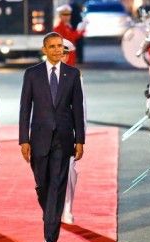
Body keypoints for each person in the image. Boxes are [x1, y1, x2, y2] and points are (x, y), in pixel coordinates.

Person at [19, 32, 85, 242]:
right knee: (43, 184)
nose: (58, 50)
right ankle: (49, 212)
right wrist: (23, 140)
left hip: (64, 138)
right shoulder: (32, 74)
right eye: (53, 46)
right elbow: (25, 109)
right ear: (44, 49)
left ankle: (50, 234)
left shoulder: (72, 74)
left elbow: (78, 109)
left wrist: (80, 140)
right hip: (38, 138)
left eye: (60, 46)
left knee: (57, 185)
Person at [60, 39, 87, 225]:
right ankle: (54, 207)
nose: (60, 56)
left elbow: (81, 109)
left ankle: (67, 208)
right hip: (45, 134)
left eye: (64, 53)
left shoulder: (76, 77)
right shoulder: (39, 73)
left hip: (67, 132)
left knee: (68, 171)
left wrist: (80, 138)